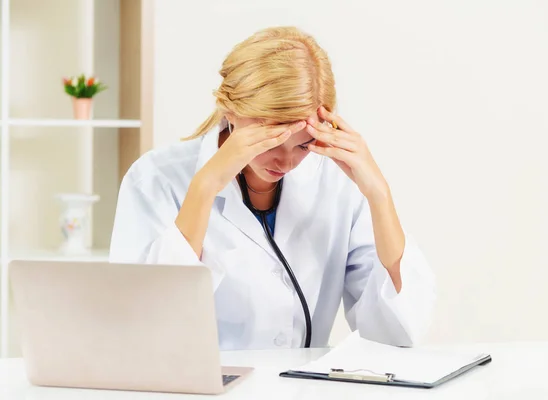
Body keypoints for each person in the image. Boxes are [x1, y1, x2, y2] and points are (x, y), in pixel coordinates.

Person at [110, 26, 436, 350]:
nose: (285, 161)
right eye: (271, 140)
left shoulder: (336, 181)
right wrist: (205, 187)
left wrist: (379, 195)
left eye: (303, 145)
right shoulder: (155, 178)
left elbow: (397, 332)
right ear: (230, 109)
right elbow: (142, 325)